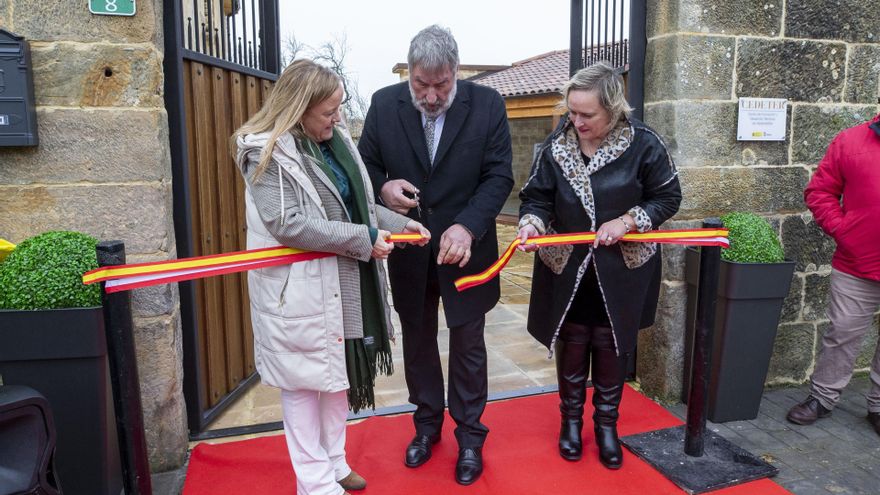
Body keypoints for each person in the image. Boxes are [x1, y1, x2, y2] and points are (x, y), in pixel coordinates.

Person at [232, 59, 430, 495]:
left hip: (341, 283)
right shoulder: (262, 150)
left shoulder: (335, 142)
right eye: (329, 110)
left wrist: (399, 225)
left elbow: (356, 201)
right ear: (299, 108)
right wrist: (366, 238)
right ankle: (315, 483)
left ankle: (336, 463)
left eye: (339, 107)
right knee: (303, 387)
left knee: (337, 377)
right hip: (296, 291)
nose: (338, 117)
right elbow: (289, 223)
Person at [357, 25, 513, 485]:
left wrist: (468, 225)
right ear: (409, 73)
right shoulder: (385, 104)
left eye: (440, 84)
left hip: (469, 250)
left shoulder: (487, 106)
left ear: (456, 72)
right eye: (420, 84)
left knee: (468, 346)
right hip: (410, 248)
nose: (429, 95)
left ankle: (470, 438)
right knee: (419, 342)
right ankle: (426, 427)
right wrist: (382, 188)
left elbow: (499, 176)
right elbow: (364, 166)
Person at [517, 62, 682, 469]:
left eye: (586, 114)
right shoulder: (558, 143)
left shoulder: (644, 143)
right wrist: (531, 222)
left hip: (621, 268)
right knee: (572, 340)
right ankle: (570, 423)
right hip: (568, 264)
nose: (576, 121)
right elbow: (536, 196)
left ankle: (607, 425)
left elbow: (668, 197)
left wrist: (628, 221)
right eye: (572, 112)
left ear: (613, 108)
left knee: (611, 343)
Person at [786, 112, 880, 437]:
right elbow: (820, 191)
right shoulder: (850, 141)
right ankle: (822, 399)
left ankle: (879, 407)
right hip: (857, 263)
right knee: (842, 333)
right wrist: (843, 230)